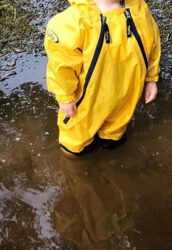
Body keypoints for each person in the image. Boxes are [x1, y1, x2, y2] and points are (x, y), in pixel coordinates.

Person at [44, 0, 161, 155]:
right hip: (88, 100)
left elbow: (153, 43)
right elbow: (61, 66)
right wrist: (65, 96)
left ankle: (111, 140)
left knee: (115, 135)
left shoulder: (138, 9)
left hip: (126, 94)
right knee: (76, 142)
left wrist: (151, 78)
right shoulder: (73, 22)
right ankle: (75, 159)